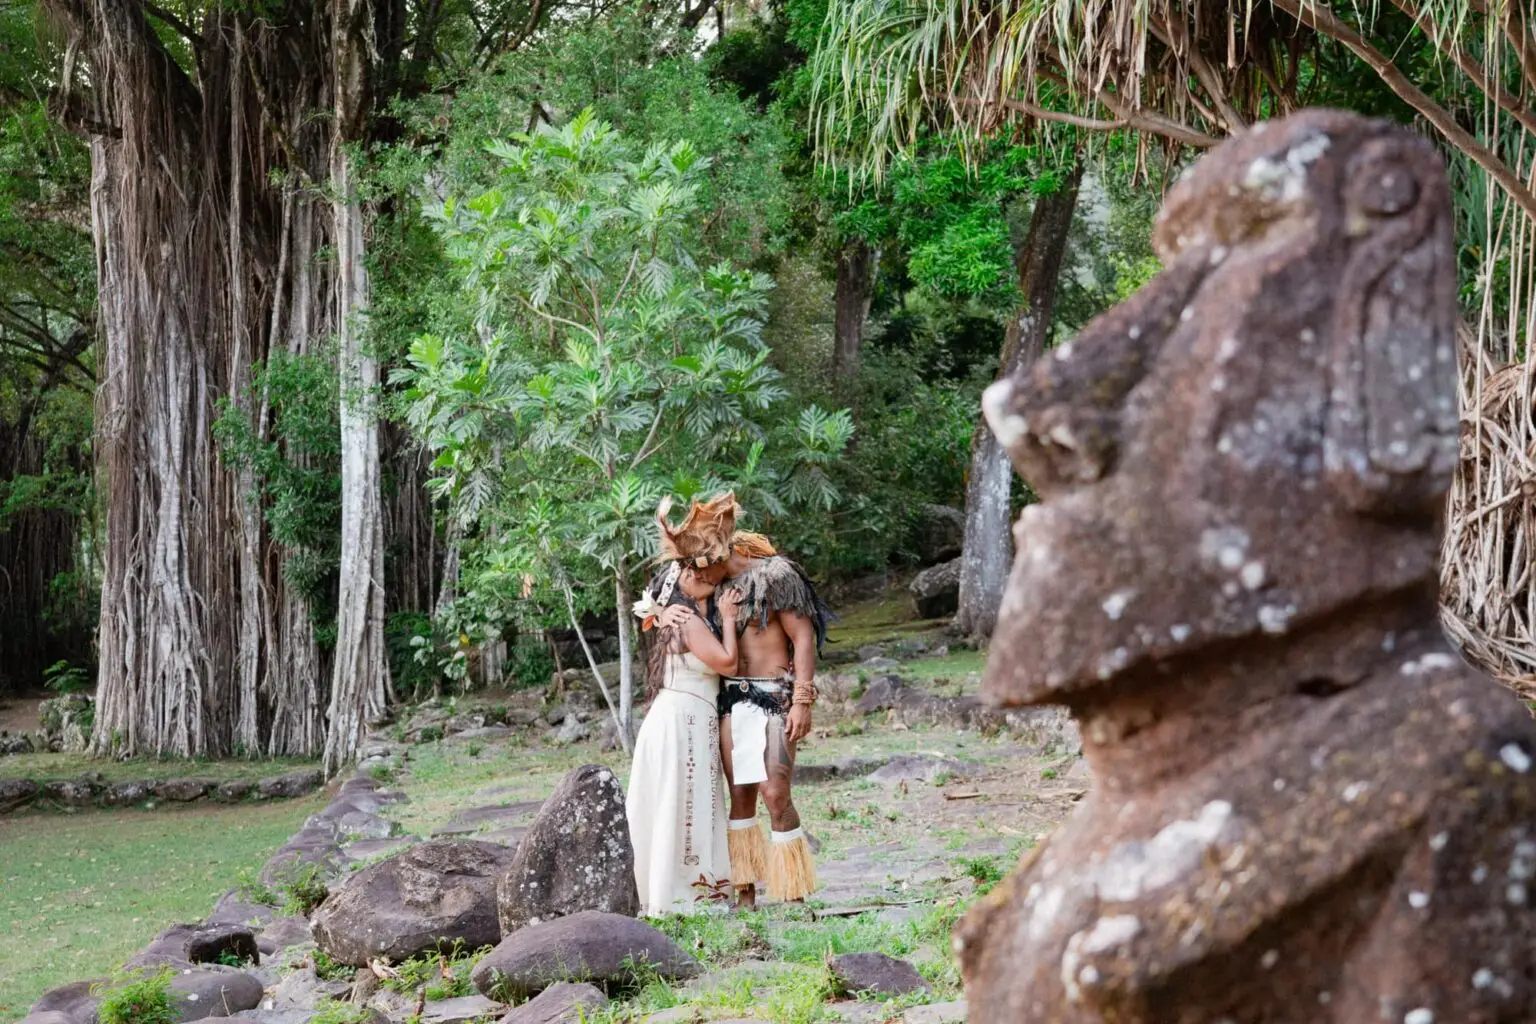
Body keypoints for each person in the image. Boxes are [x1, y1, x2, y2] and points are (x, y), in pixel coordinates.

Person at [660, 528, 831, 909]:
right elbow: (674, 596)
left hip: (774, 696)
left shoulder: (778, 576)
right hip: (730, 700)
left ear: (716, 557)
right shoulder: (715, 589)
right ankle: (745, 891)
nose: (697, 576)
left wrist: (802, 700)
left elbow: (803, 637)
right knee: (739, 796)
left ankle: (793, 892)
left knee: (775, 793)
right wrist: (663, 612)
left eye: (699, 568)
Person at [626, 493, 743, 917]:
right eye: (704, 579)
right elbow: (727, 664)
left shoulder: (677, 613)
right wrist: (727, 618)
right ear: (686, 578)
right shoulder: (687, 620)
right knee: (682, 802)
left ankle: (675, 890)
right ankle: (682, 895)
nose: (711, 582)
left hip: (682, 716)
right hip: (683, 720)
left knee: (680, 802)